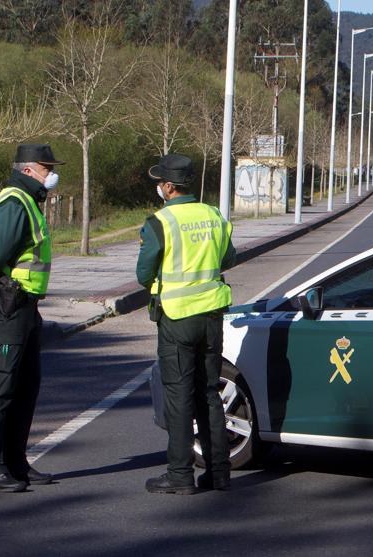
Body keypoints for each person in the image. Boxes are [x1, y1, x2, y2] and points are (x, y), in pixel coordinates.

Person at [0, 144, 62, 492]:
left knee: (25, 385)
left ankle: (16, 462)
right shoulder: (15, 202)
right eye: (47, 168)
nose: (52, 175)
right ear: (29, 169)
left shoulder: (27, 200)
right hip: (8, 305)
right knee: (2, 386)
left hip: (25, 305)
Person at [137, 153, 236, 494]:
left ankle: (180, 475)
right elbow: (229, 257)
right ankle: (219, 472)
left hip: (177, 317)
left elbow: (142, 274)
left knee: (179, 397)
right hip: (211, 315)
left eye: (159, 183)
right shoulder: (213, 216)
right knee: (209, 393)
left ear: (168, 186)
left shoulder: (159, 223)